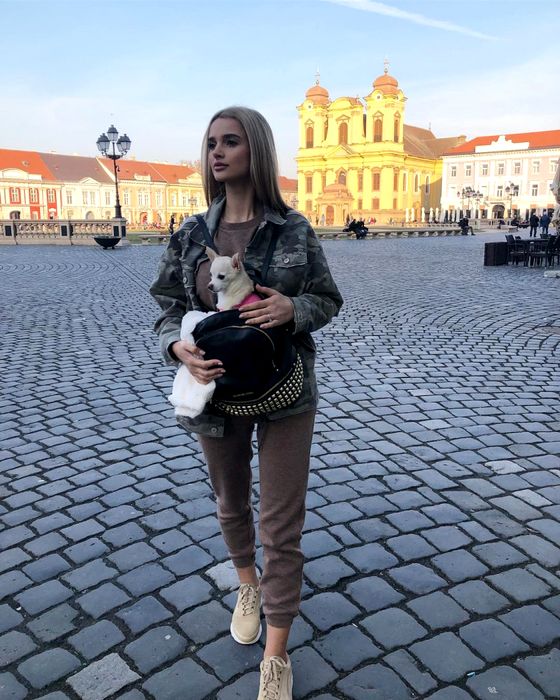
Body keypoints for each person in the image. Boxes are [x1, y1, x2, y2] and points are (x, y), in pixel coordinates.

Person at [150, 106, 342, 700]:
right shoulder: (190, 234)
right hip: (215, 391)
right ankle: (247, 585)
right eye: (211, 142)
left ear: (255, 150)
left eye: (230, 141)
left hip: (285, 390)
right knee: (231, 501)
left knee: (281, 522)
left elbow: (327, 299)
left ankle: (276, 655)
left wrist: (292, 308)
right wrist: (177, 348)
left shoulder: (293, 228)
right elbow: (167, 305)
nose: (217, 151)